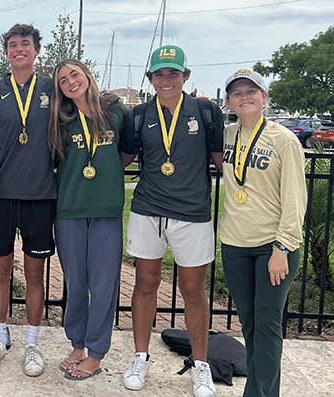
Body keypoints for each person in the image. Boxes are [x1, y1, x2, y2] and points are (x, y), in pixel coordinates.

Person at [119, 45, 223, 397]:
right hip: (147, 209)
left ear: (186, 76)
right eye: (159, 74)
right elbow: (122, 158)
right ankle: (140, 357)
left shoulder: (206, 111)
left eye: (173, 73)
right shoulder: (138, 115)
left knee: (193, 291)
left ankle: (201, 365)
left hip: (192, 213)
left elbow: (222, 161)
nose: (166, 80)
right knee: (145, 284)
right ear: (150, 78)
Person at [220, 69, 306, 397]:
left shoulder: (283, 139)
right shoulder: (227, 134)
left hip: (273, 247)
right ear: (229, 101)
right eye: (237, 92)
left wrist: (282, 247)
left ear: (264, 97)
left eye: (251, 91)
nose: (245, 97)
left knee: (268, 328)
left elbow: (295, 198)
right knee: (250, 326)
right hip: (235, 243)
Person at [0, 23, 55, 377]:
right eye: (12, 44)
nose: (19, 49)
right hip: (2, 196)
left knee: (36, 275)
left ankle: (33, 343)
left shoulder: (54, 88)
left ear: (37, 50)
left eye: (25, 44)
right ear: (6, 52)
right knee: (1, 273)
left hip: (41, 195)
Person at [48, 59, 128, 380]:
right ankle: (77, 344)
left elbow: (127, 152)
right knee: (77, 284)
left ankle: (96, 352)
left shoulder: (116, 112)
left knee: (103, 283)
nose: (70, 82)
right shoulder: (61, 120)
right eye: (63, 80)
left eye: (74, 74)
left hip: (106, 209)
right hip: (69, 209)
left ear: (87, 76)